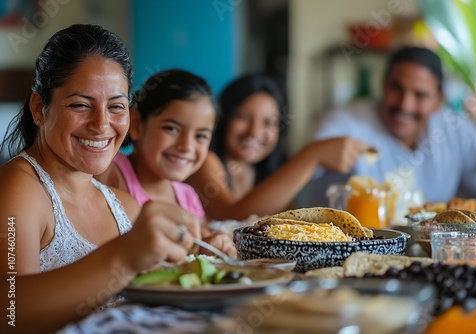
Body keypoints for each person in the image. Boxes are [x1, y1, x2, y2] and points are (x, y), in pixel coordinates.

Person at [0, 24, 201, 334]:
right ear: (40, 108)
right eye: (81, 105)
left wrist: (197, 256)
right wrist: (123, 255)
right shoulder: (20, 190)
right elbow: (8, 314)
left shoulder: (123, 206)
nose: (101, 124)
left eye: (116, 107)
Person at [298, 46, 476, 208]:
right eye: (397, 89)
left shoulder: (454, 129)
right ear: (384, 84)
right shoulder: (343, 123)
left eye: (420, 95)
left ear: (439, 100)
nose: (405, 105)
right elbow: (290, 193)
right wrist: (314, 154)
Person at [185, 74, 369, 220]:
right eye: (243, 117)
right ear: (223, 118)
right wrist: (312, 155)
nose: (255, 132)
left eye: (268, 123)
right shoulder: (204, 161)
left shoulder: (269, 175)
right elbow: (232, 216)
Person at [96, 69, 236, 256]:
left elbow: (196, 249)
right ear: (137, 124)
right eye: (172, 128)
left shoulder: (188, 198)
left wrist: (210, 246)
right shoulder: (111, 171)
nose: (186, 146)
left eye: (200, 136)